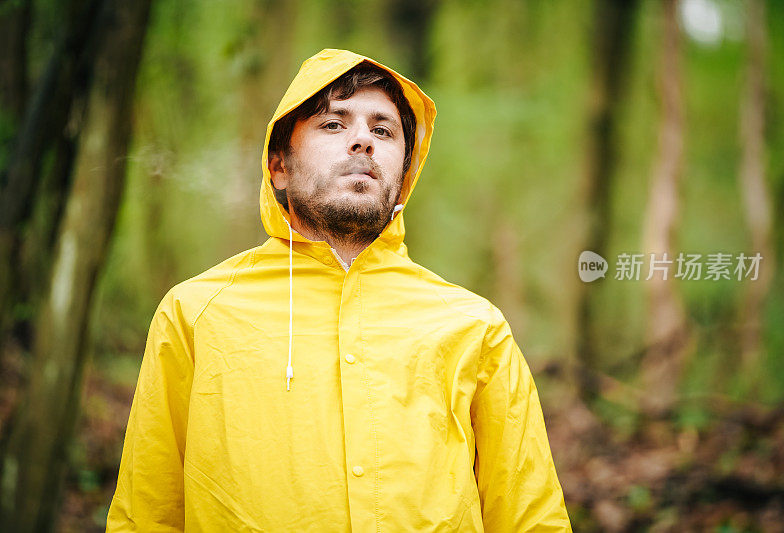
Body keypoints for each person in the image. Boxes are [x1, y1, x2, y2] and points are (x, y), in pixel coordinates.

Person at [107, 48, 571, 532]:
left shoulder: (473, 327)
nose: (363, 142)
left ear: (406, 172)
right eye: (333, 125)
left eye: (383, 130)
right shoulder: (196, 315)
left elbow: (530, 516)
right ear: (278, 166)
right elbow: (146, 514)